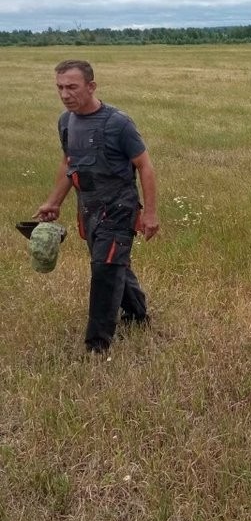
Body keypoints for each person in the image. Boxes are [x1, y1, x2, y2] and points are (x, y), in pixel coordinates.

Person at [34, 60, 159, 354]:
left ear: (91, 87)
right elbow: (69, 164)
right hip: (88, 209)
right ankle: (137, 314)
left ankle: (97, 345)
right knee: (113, 264)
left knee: (104, 268)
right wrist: (54, 202)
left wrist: (150, 214)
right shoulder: (65, 122)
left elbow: (145, 166)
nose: (65, 94)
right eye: (60, 88)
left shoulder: (118, 123)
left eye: (72, 87)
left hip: (119, 208)